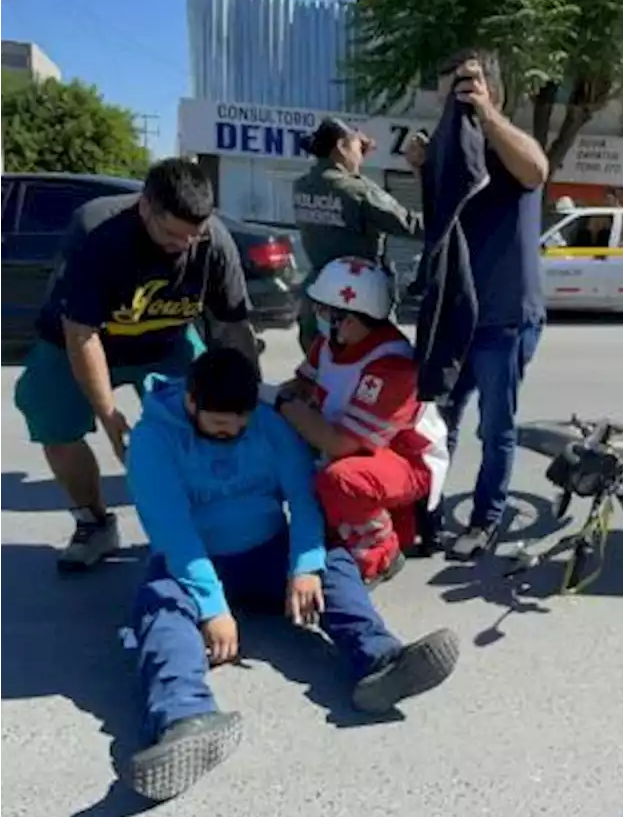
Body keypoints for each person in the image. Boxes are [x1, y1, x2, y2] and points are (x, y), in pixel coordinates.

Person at [124, 347, 460, 802]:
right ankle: (185, 720)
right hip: (192, 557)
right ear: (190, 404)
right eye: (219, 423)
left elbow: (303, 500)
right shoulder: (151, 440)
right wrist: (213, 607)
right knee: (160, 609)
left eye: (240, 421)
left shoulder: (268, 421)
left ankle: (380, 661)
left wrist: (304, 567)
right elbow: (174, 532)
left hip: (267, 549)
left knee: (334, 564)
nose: (232, 431)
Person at [13, 158, 260, 573]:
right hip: (80, 340)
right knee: (52, 420)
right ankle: (94, 523)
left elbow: (233, 326)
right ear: (146, 207)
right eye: (171, 234)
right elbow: (82, 334)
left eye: (192, 237)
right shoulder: (97, 231)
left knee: (204, 418)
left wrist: (245, 397)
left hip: (166, 343)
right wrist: (110, 418)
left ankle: (199, 522)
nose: (182, 246)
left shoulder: (214, 240)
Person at [433, 50, 550, 559]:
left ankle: (485, 520)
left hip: (505, 317)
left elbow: (537, 169)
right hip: (459, 317)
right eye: (452, 87)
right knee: (440, 423)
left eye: (471, 84)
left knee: (495, 427)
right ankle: (426, 512)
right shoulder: (453, 149)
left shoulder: (509, 145)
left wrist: (487, 112)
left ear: (493, 91)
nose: (459, 94)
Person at [276, 256, 450, 585]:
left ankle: (381, 552)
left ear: (354, 319)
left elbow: (339, 444)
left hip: (407, 460)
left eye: (329, 313)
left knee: (339, 479)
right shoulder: (331, 343)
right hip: (363, 451)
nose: (321, 318)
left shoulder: (391, 367)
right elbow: (303, 384)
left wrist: (284, 406)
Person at [292, 116, 428, 351]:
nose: (363, 149)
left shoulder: (302, 184)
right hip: (359, 302)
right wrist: (424, 172)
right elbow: (414, 226)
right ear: (342, 146)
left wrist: (352, 157)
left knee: (322, 374)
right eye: (356, 144)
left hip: (317, 298)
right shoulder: (357, 190)